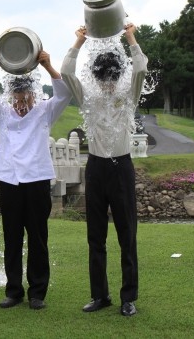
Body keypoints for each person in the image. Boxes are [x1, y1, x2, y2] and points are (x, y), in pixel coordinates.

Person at [0, 50, 71, 310]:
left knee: (37, 238)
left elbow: (65, 93)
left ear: (33, 95)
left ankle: (37, 292)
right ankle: (13, 291)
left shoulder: (44, 111)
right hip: (9, 181)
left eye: (25, 98)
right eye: (17, 98)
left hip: (37, 180)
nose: (21, 104)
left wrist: (48, 65)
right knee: (12, 238)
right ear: (11, 97)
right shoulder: (3, 113)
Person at [60, 23, 148, 317]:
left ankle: (128, 298)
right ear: (96, 78)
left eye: (112, 78)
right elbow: (66, 72)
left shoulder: (129, 96)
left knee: (127, 235)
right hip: (95, 167)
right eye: (102, 78)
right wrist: (78, 41)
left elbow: (140, 68)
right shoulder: (89, 98)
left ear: (118, 76)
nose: (107, 84)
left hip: (121, 167)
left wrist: (130, 36)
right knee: (95, 237)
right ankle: (100, 296)